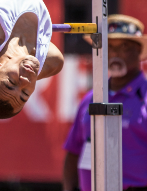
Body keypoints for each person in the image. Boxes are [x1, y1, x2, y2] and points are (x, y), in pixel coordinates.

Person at [63, 14, 147, 191]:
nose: (115, 53)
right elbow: (74, 150)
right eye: (109, 46)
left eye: (124, 46)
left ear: (139, 52)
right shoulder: (90, 99)